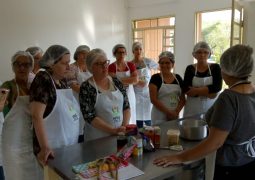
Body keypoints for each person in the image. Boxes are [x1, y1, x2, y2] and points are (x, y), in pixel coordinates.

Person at [154, 44, 255, 179]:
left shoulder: (228, 98)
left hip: (231, 165)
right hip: (249, 159)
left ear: (227, 70)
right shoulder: (252, 91)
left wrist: (179, 157)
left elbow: (215, 143)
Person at [30, 45, 80, 166]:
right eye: (65, 63)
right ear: (52, 64)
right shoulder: (43, 79)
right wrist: (45, 147)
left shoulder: (62, 81)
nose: (69, 67)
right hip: (52, 150)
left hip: (68, 145)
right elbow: (36, 115)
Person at [1, 51, 42, 179]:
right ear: (13, 67)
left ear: (32, 66)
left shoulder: (36, 86)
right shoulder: (7, 86)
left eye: (26, 64)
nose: (22, 68)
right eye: (18, 64)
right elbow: (0, 105)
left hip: (33, 142)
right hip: (13, 143)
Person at [80, 48, 130, 141]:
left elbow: (126, 106)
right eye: (99, 64)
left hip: (120, 135)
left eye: (105, 62)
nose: (104, 66)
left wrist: (123, 127)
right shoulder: (86, 87)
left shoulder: (116, 81)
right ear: (91, 67)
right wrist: (113, 130)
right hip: (97, 139)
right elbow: (89, 116)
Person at [183, 41, 222, 117]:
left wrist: (195, 90)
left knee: (210, 127)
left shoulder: (215, 67)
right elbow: (186, 88)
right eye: (199, 52)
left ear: (210, 54)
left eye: (205, 52)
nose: (202, 55)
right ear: (194, 54)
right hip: (192, 109)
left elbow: (217, 87)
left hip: (211, 108)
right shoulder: (190, 68)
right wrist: (209, 92)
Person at [149, 51, 185, 125]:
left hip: (175, 115)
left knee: (174, 135)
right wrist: (168, 112)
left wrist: (176, 112)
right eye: (162, 63)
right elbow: (153, 99)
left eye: (167, 63)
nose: (164, 65)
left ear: (173, 64)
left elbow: (183, 99)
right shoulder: (155, 78)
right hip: (159, 115)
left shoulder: (178, 78)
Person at [66, 45, 91, 143]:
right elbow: (74, 86)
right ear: (77, 55)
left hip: (89, 101)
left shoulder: (89, 68)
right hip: (76, 101)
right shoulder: (72, 68)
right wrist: (92, 92)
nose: (85, 56)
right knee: (79, 124)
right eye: (82, 54)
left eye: (87, 54)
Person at [108, 44, 138, 125]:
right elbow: (111, 81)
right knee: (118, 115)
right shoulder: (111, 67)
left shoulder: (130, 65)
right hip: (116, 94)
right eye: (119, 53)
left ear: (126, 53)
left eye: (123, 52)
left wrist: (118, 79)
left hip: (130, 94)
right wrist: (129, 80)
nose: (121, 55)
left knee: (131, 115)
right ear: (114, 54)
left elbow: (135, 80)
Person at [131, 42, 158, 128]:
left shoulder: (147, 61)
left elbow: (160, 67)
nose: (138, 51)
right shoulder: (130, 64)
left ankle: (149, 135)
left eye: (140, 49)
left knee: (148, 116)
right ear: (133, 51)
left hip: (147, 93)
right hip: (136, 93)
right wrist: (137, 82)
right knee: (137, 116)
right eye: (136, 49)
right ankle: (138, 133)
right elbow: (129, 78)